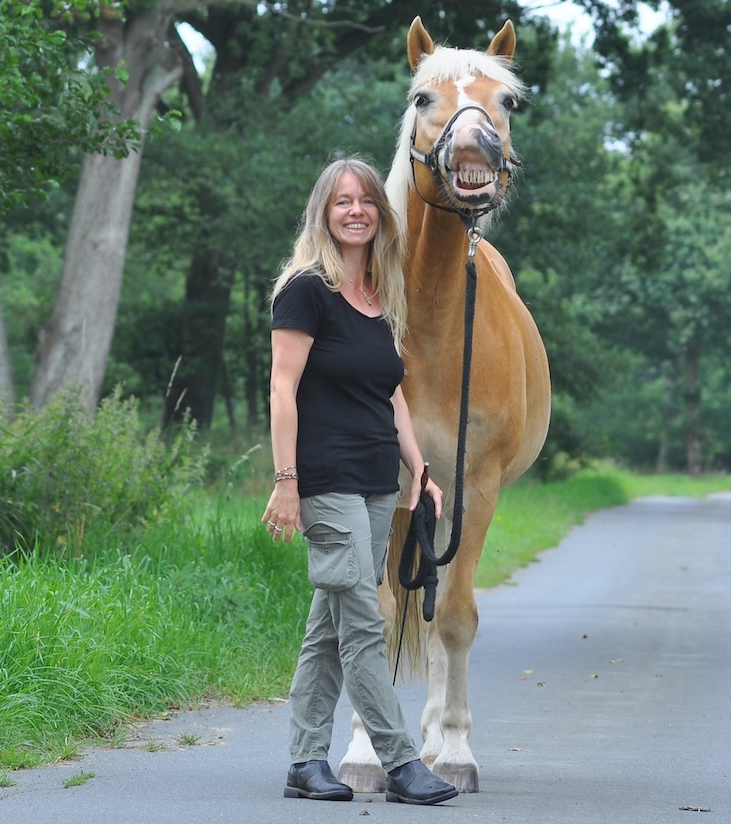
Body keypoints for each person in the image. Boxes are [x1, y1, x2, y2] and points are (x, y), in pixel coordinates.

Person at [261, 157, 458, 806]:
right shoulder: (304, 289)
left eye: (366, 200)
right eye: (342, 201)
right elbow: (282, 388)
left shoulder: (380, 292)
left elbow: (392, 395)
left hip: (377, 479)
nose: (355, 210)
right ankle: (401, 761)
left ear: (380, 213)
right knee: (364, 619)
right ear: (324, 210)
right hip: (325, 479)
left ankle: (303, 760)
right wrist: (286, 479)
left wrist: (419, 470)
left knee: (331, 622)